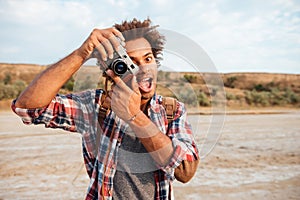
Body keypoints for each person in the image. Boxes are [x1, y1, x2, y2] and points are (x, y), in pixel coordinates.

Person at [12, 18, 199, 200]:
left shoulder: (172, 110)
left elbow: (185, 171)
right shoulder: (96, 106)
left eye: (147, 59)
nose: (142, 69)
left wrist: (134, 116)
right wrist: (81, 53)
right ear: (111, 70)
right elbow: (27, 108)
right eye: (130, 63)